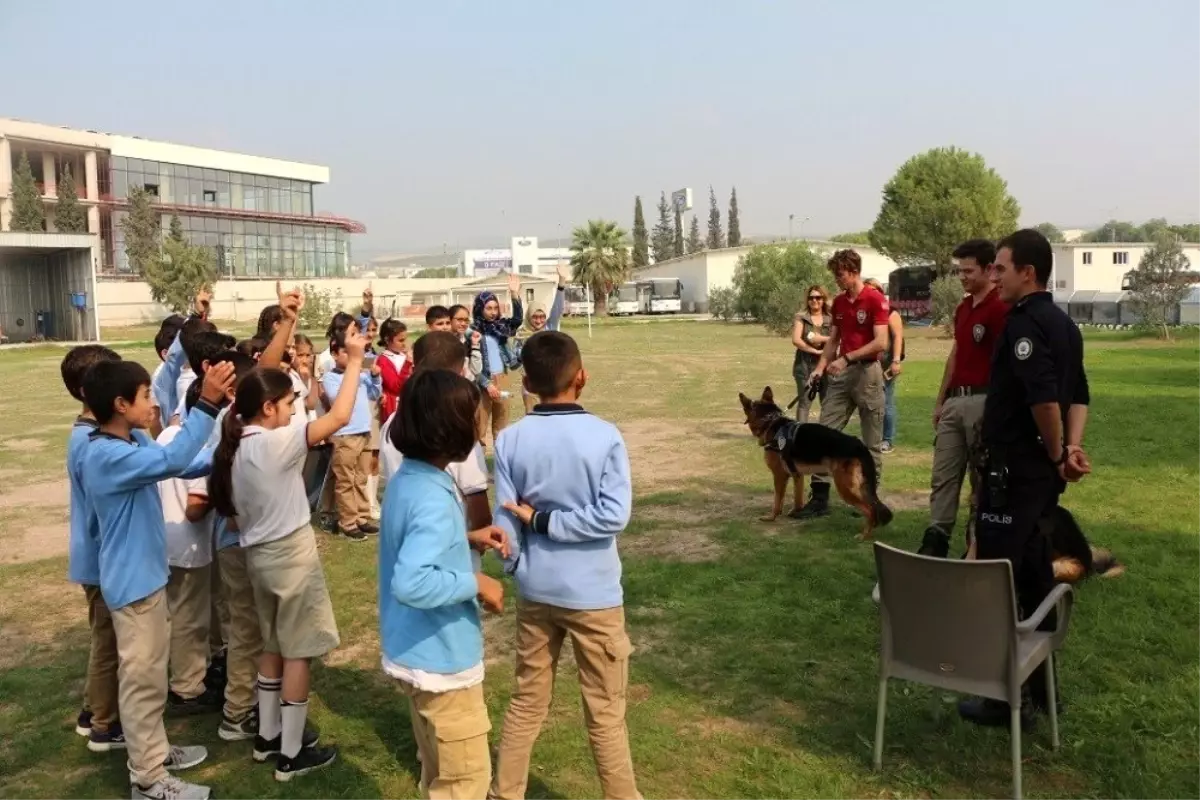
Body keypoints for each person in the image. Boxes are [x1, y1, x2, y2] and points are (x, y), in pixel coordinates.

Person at [206, 324, 371, 781]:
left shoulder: (235, 445)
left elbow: (259, 380)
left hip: (257, 556)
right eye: (288, 404)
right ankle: (292, 754)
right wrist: (355, 360)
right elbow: (337, 418)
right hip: (290, 557)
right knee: (299, 651)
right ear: (268, 408)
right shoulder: (277, 442)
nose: (294, 410)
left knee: (273, 645)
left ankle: (268, 736)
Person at [490, 330, 641, 800]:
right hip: (593, 595)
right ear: (582, 378)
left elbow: (506, 521)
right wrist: (547, 523)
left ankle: (504, 791)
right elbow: (613, 515)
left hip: (537, 591)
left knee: (526, 701)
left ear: (527, 384)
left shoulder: (510, 439)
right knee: (605, 711)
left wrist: (520, 560)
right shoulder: (604, 436)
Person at [81, 358, 235, 800]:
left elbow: (181, 465)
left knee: (147, 676)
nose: (152, 404)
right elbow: (173, 456)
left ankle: (155, 751)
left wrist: (231, 447)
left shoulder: (128, 442)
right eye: (146, 396)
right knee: (143, 682)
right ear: (119, 403)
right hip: (133, 585)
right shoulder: (107, 455)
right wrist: (206, 404)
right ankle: (148, 779)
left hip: (146, 577)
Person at [956, 229, 1091, 728]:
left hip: (1015, 473)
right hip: (1040, 477)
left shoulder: (1023, 326)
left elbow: (1045, 401)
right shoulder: (1066, 325)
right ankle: (1043, 691)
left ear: (1026, 273)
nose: (994, 275)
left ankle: (1003, 700)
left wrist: (1059, 453)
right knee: (1034, 575)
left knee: (996, 579)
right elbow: (1080, 395)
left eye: (1000, 268)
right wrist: (1070, 450)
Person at [379, 369, 508, 799]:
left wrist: (465, 538)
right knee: (464, 782)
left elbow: (411, 544)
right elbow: (413, 582)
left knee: (438, 773)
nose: (479, 424)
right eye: (473, 416)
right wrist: (476, 583)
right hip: (443, 664)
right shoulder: (433, 496)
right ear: (450, 428)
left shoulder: (410, 479)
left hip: (412, 651)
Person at [918, 239, 1009, 558]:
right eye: (959, 271)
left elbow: (1006, 362)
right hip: (956, 401)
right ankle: (936, 537)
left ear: (988, 269)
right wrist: (941, 400)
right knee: (943, 473)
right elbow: (956, 355)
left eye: (968, 271)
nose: (962, 277)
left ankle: (976, 543)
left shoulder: (1000, 307)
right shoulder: (963, 308)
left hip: (985, 402)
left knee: (980, 478)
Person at [379, 331, 498, 573]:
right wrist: (477, 542)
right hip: (452, 565)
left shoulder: (392, 423)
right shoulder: (451, 427)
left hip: (406, 545)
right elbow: (478, 507)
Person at [61, 344, 126, 752]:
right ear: (92, 390)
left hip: (99, 560)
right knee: (108, 645)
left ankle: (91, 710)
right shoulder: (91, 443)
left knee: (105, 641)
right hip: (102, 562)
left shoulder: (87, 435)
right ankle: (105, 724)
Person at [796, 250, 890, 519]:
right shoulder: (838, 303)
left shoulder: (875, 299)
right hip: (841, 374)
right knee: (824, 432)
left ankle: (870, 500)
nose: (837, 279)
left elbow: (881, 342)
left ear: (854, 271)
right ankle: (820, 498)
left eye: (840, 274)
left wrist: (847, 358)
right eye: (835, 274)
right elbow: (833, 340)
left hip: (868, 373)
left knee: (871, 441)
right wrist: (818, 369)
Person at [321, 329, 384, 540]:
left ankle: (362, 517)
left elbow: (375, 394)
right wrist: (355, 374)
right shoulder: (330, 377)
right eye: (347, 352)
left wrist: (375, 378)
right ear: (335, 353)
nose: (353, 357)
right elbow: (336, 399)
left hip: (364, 432)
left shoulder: (362, 374)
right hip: (345, 435)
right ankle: (347, 521)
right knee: (345, 480)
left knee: (360, 478)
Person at [472, 273, 524, 445]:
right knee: (480, 426)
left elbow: (517, 320)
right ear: (480, 308)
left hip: (502, 377)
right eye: (489, 308)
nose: (493, 312)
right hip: (482, 381)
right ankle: (478, 469)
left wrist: (515, 295)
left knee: (501, 428)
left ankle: (498, 466)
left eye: (495, 308)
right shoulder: (472, 331)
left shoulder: (501, 327)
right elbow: (472, 363)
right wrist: (486, 384)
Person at [863, 278, 905, 453]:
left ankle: (887, 439)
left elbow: (898, 337)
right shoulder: (867, 313)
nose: (870, 293)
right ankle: (873, 437)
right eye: (867, 290)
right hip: (869, 364)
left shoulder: (891, 313)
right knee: (870, 403)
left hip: (887, 364)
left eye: (874, 290)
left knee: (886, 401)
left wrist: (896, 361)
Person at [520, 265, 568, 413]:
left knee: (552, 416)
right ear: (529, 317)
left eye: (541, 316)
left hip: (551, 383)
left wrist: (562, 281)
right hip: (531, 385)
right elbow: (517, 360)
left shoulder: (550, 328)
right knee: (533, 418)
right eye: (535, 316)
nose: (539, 320)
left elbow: (557, 308)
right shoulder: (521, 334)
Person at [790, 285, 831, 424]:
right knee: (804, 403)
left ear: (823, 299)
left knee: (827, 403)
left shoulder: (831, 318)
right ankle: (800, 435)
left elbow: (839, 338)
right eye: (811, 297)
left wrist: (822, 339)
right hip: (804, 366)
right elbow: (796, 340)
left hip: (827, 365)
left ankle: (825, 435)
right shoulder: (801, 317)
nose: (815, 300)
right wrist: (815, 351)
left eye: (818, 297)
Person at [449, 303, 485, 382]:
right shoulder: (442, 342)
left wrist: (475, 345)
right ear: (450, 320)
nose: (463, 324)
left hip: (468, 386)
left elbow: (476, 370)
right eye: (459, 320)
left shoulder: (468, 341)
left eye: (466, 320)